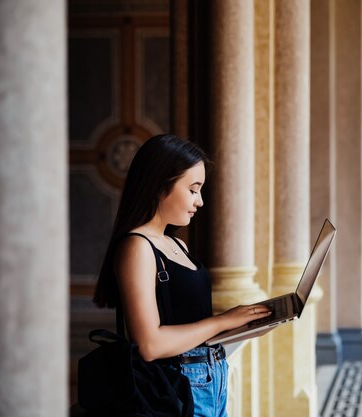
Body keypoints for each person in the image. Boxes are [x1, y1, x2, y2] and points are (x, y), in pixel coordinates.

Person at [93, 134, 271, 417]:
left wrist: (244, 324)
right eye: (193, 189)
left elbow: (188, 323)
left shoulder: (178, 245)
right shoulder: (137, 247)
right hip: (175, 388)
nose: (199, 201)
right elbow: (150, 345)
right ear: (159, 186)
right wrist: (221, 321)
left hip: (212, 379)